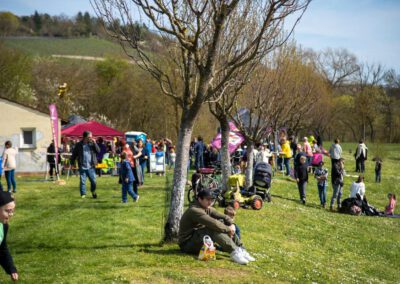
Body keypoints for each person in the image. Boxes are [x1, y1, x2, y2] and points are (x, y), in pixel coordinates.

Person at [178, 189, 255, 265]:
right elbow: (213, 223)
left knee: (223, 223)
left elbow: (225, 217)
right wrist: (228, 229)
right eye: (207, 199)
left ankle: (241, 250)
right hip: (187, 244)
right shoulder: (194, 210)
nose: (210, 202)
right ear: (199, 199)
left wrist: (232, 224)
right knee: (212, 228)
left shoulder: (207, 208)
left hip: (200, 239)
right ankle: (234, 252)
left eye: (211, 200)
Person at [70, 131, 100, 199]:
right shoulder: (79, 145)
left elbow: (98, 151)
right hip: (82, 166)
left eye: (91, 137)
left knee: (93, 181)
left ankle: (93, 191)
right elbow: (74, 154)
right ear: (85, 137)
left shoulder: (92, 144)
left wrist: (95, 143)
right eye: (89, 137)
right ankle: (83, 194)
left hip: (91, 166)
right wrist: (72, 163)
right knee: (83, 181)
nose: (91, 138)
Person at [0, 191, 18, 281]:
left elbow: (2, 249)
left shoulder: (4, 226)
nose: (11, 214)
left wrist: (11, 268)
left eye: (12, 211)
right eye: (7, 211)